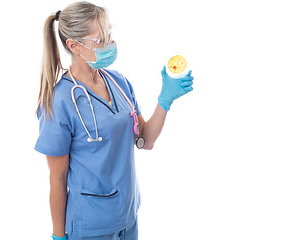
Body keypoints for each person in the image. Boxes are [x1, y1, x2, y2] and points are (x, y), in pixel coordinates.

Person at [34, 1, 194, 240]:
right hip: (90, 225)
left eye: (109, 35)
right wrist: (58, 235)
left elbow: (145, 140)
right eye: (100, 40)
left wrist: (165, 99)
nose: (110, 44)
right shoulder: (59, 102)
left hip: (128, 215)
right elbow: (57, 178)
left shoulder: (118, 82)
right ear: (74, 45)